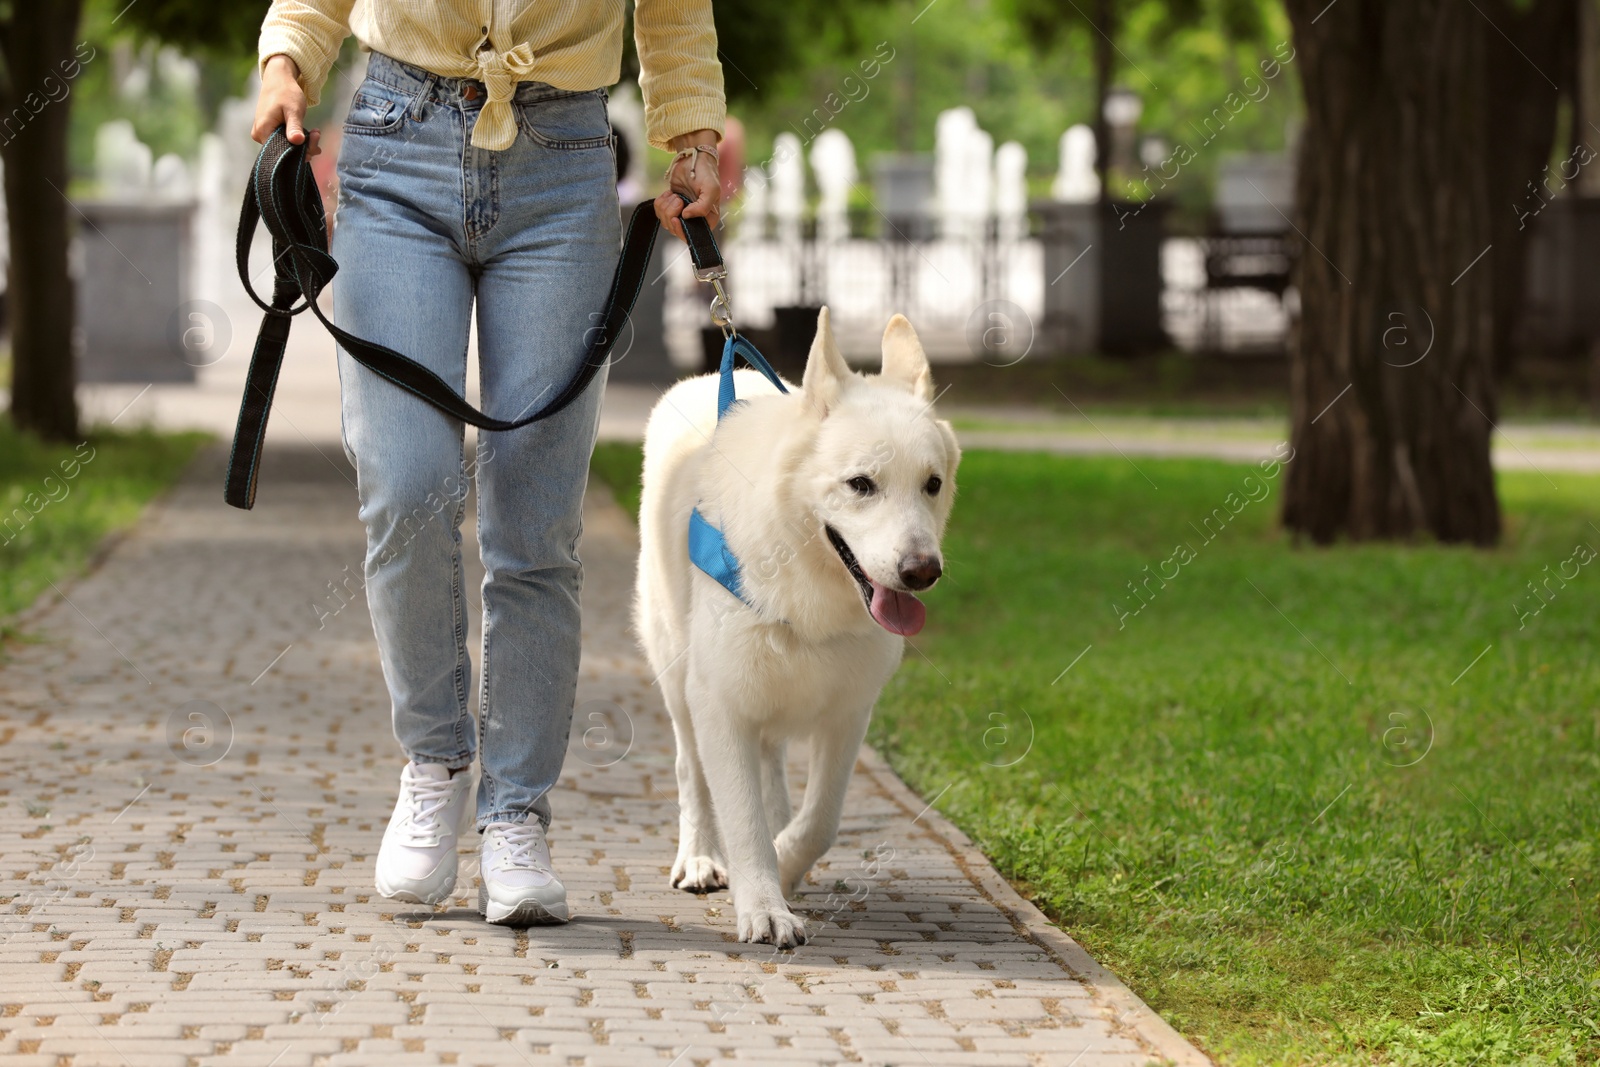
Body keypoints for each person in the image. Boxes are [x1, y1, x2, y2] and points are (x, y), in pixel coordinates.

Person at [252, 1, 725, 926]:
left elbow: (674, 10)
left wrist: (693, 138)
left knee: (535, 520)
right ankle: (434, 762)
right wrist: (285, 66)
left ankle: (516, 813)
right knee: (407, 484)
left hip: (564, 159)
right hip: (396, 145)